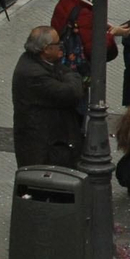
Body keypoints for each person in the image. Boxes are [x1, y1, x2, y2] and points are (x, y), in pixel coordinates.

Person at [12, 26, 85, 167]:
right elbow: (72, 92)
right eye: (58, 44)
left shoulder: (41, 62)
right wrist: (73, 76)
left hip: (50, 140)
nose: (61, 47)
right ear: (46, 49)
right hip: (42, 147)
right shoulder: (34, 74)